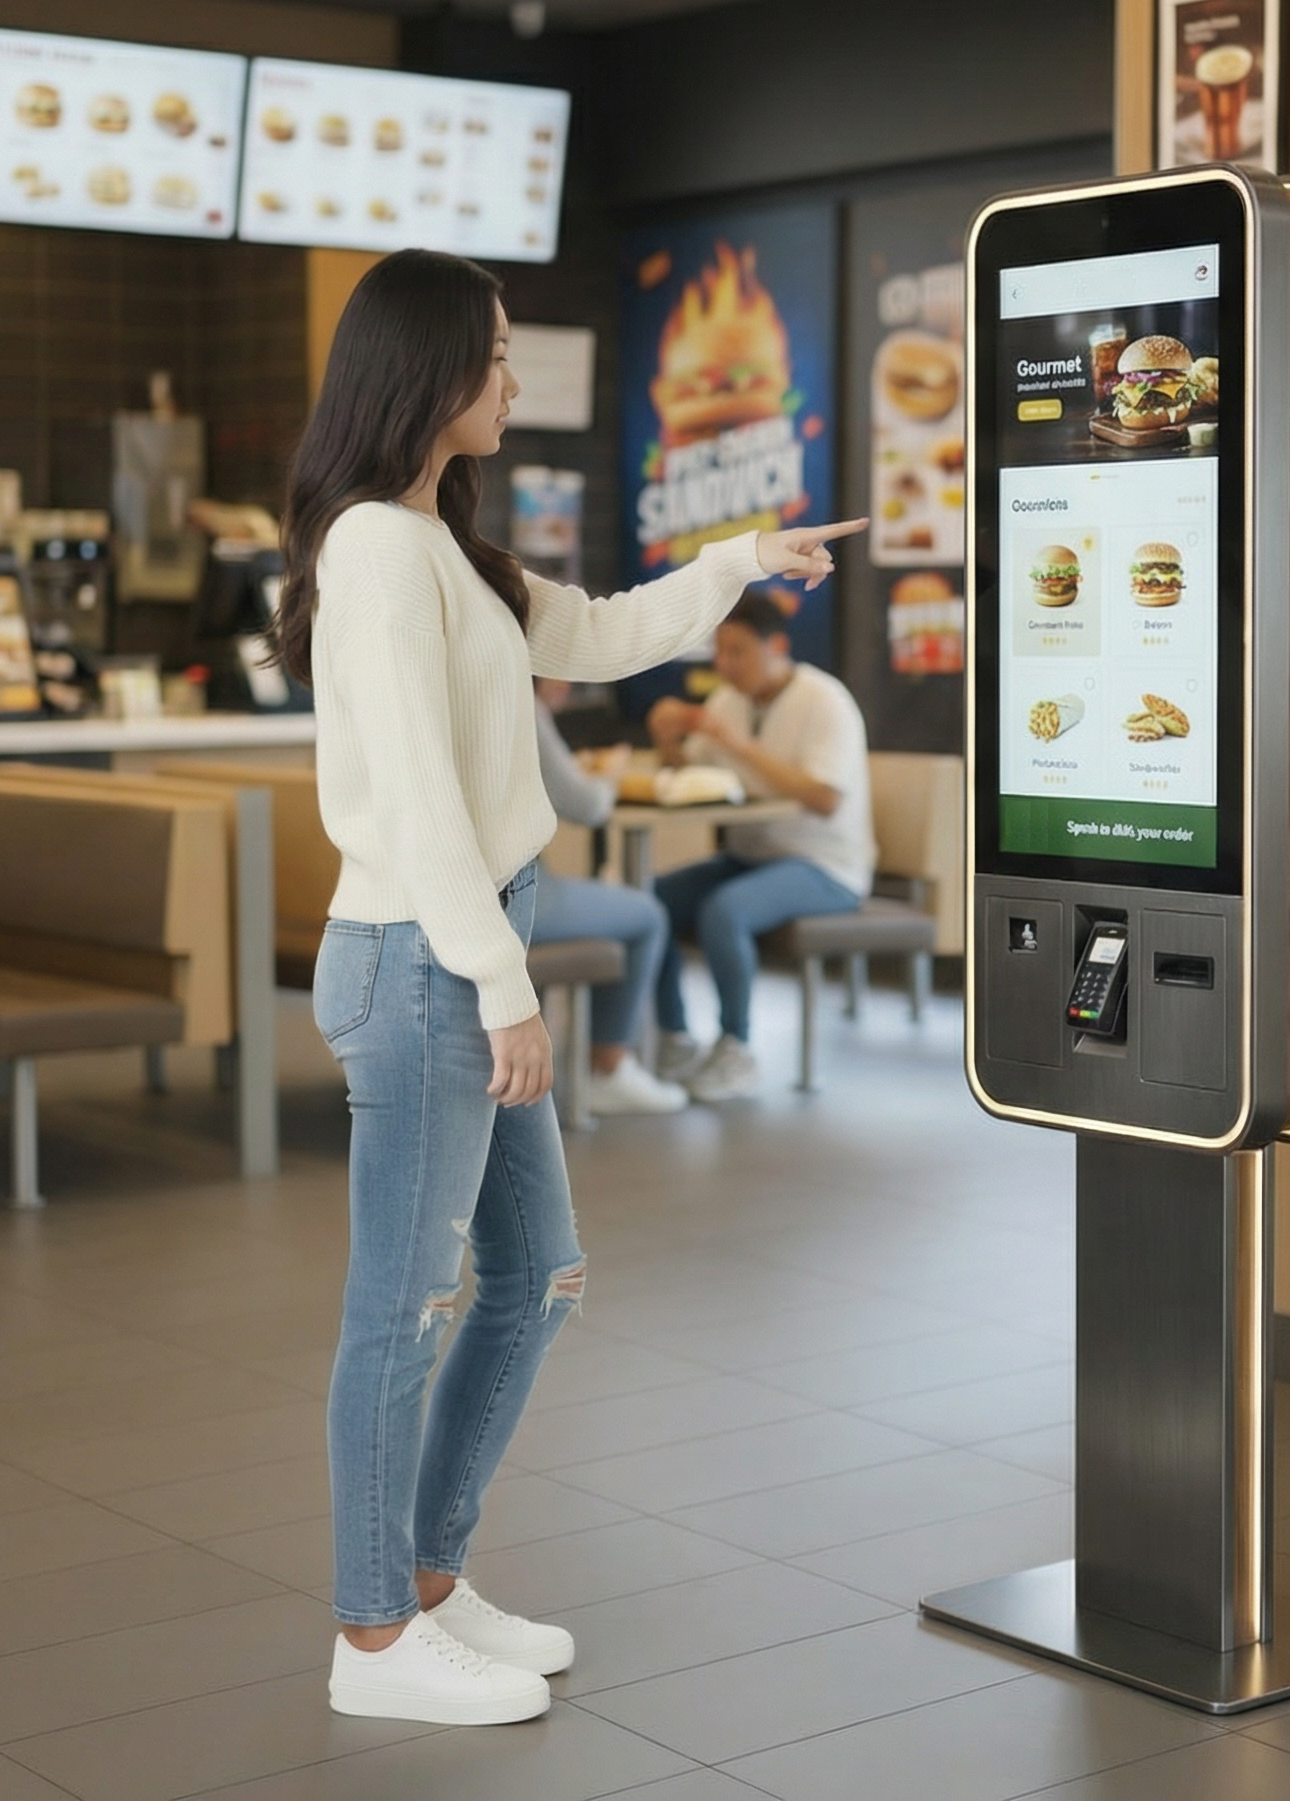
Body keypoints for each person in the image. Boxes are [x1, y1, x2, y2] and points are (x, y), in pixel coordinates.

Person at [273, 248, 863, 1728]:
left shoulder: (440, 543)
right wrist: (501, 984)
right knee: (401, 1310)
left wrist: (740, 558)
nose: (512, 379)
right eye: (492, 354)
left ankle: (425, 1576)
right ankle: (371, 1638)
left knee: (534, 1276)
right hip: (422, 958)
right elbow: (418, 794)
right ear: (426, 369)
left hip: (458, 947)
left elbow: (598, 629)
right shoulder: (376, 548)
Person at [645, 590, 874, 1100]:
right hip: (749, 858)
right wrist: (666, 740)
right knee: (650, 900)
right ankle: (675, 1037)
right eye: (719, 652)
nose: (725, 665)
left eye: (738, 652)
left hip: (826, 867)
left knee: (724, 911)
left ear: (777, 647)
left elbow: (825, 798)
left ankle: (737, 1049)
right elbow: (692, 777)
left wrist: (740, 746)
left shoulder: (826, 700)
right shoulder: (728, 700)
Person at [530, 679, 688, 1117]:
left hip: (455, 894)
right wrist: (612, 777)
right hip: (516, 896)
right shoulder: (524, 707)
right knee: (648, 914)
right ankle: (609, 1069)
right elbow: (587, 806)